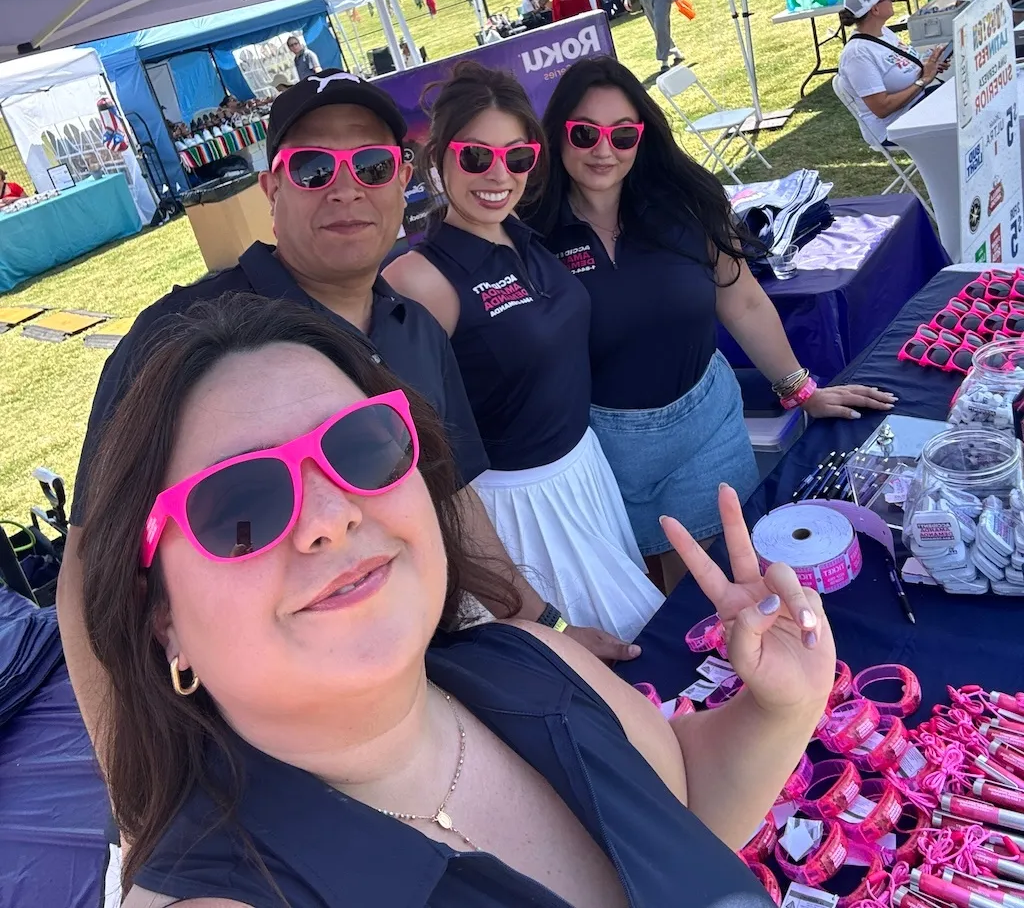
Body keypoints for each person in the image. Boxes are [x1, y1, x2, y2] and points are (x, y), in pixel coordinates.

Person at [79, 291, 834, 907]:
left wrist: (780, 705)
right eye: (240, 504)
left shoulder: (533, 659)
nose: (331, 516)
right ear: (164, 619)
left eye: (361, 446)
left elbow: (680, 814)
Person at [57, 75, 634, 769]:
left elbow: (454, 499)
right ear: (271, 190)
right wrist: (128, 773)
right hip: (253, 751)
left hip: (415, 708)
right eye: (312, 168)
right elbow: (88, 569)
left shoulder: (415, 329)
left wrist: (547, 626)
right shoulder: (178, 336)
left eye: (372, 165)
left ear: (402, 181)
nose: (346, 188)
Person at [529, 56, 898, 591]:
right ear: (558, 135)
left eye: (623, 134)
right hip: (600, 447)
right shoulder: (531, 233)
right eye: (584, 133)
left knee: (721, 583)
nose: (604, 150)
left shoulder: (685, 205)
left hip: (703, 428)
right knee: (646, 599)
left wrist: (802, 391)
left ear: (643, 137)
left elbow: (742, 302)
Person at [384, 62, 663, 639]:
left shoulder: (526, 236)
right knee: (612, 652)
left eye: (517, 157)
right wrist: (536, 614)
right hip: (519, 509)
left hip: (585, 474)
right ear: (439, 158)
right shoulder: (420, 280)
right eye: (475, 156)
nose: (498, 174)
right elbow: (428, 459)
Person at [837, 0, 948, 146]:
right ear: (875, 9)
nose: (893, 0)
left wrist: (929, 65)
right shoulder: (857, 55)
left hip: (918, 104)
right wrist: (924, 80)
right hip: (894, 126)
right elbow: (882, 108)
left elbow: (902, 68)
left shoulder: (884, 32)